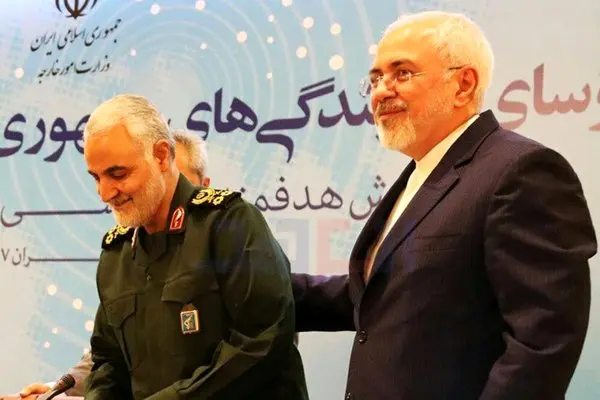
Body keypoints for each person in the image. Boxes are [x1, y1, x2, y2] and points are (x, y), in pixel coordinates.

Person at [292, 11, 596, 399]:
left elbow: (543, 341)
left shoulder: (520, 172)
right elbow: (380, 297)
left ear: (463, 85)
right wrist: (254, 282)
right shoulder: (423, 173)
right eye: (375, 78)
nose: (380, 92)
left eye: (402, 73)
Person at [81, 94, 307, 399]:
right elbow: (108, 362)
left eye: (117, 174)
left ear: (161, 156)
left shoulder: (229, 224)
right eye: (96, 178)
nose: (105, 193)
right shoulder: (116, 254)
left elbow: (262, 342)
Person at [18, 129, 213, 399]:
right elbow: (112, 352)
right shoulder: (128, 252)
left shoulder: (229, 241)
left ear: (204, 187)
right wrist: (60, 390)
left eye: (177, 182)